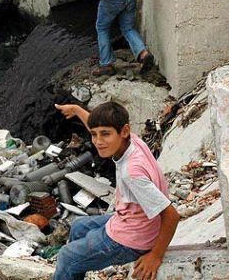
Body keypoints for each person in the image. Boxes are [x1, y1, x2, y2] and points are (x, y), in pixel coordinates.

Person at [52, 102, 180, 280]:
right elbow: (101, 125)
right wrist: (76, 110)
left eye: (105, 134)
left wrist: (155, 256)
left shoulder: (132, 172)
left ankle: (73, 266)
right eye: (94, 135)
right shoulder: (132, 142)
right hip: (133, 219)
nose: (98, 141)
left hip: (133, 240)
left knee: (67, 256)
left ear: (124, 131)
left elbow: (172, 216)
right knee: (78, 227)